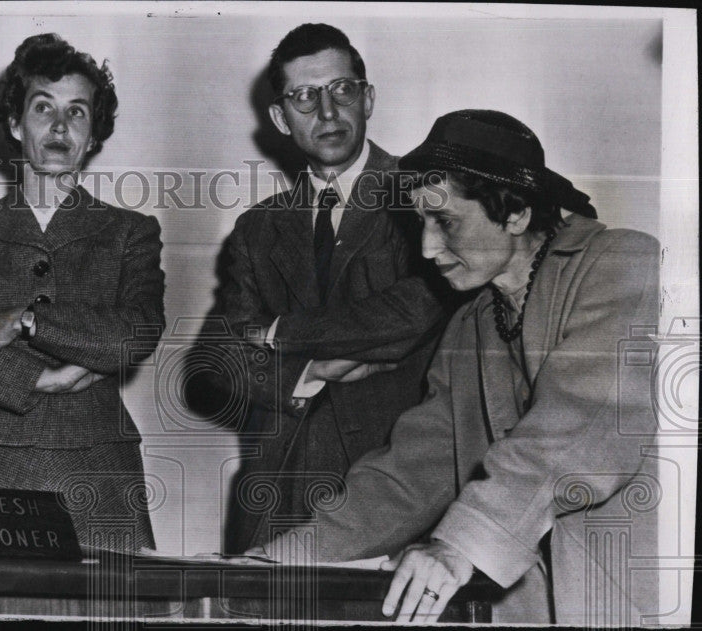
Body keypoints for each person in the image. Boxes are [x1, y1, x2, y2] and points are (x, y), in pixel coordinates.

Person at [259, 110, 660, 624]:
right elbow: (412, 472)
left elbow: (583, 420)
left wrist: (460, 545)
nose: (427, 248)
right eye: (421, 223)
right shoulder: (472, 321)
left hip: (629, 594)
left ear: (514, 213)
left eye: (445, 221)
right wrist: (281, 559)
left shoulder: (623, 262)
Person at [210, 23, 451, 554]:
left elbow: (415, 311)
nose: (326, 112)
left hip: (400, 494)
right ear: (279, 117)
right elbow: (218, 364)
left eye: (341, 90)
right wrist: (310, 370)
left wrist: (279, 333)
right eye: (304, 96)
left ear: (367, 98)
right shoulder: (257, 228)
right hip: (278, 493)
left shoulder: (428, 196)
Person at [0, 34, 164, 551]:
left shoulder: (131, 231)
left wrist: (25, 322)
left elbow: (135, 335)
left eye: (78, 112)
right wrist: (40, 378)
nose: (60, 127)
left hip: (99, 474)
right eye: (43, 108)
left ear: (94, 134)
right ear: (15, 124)